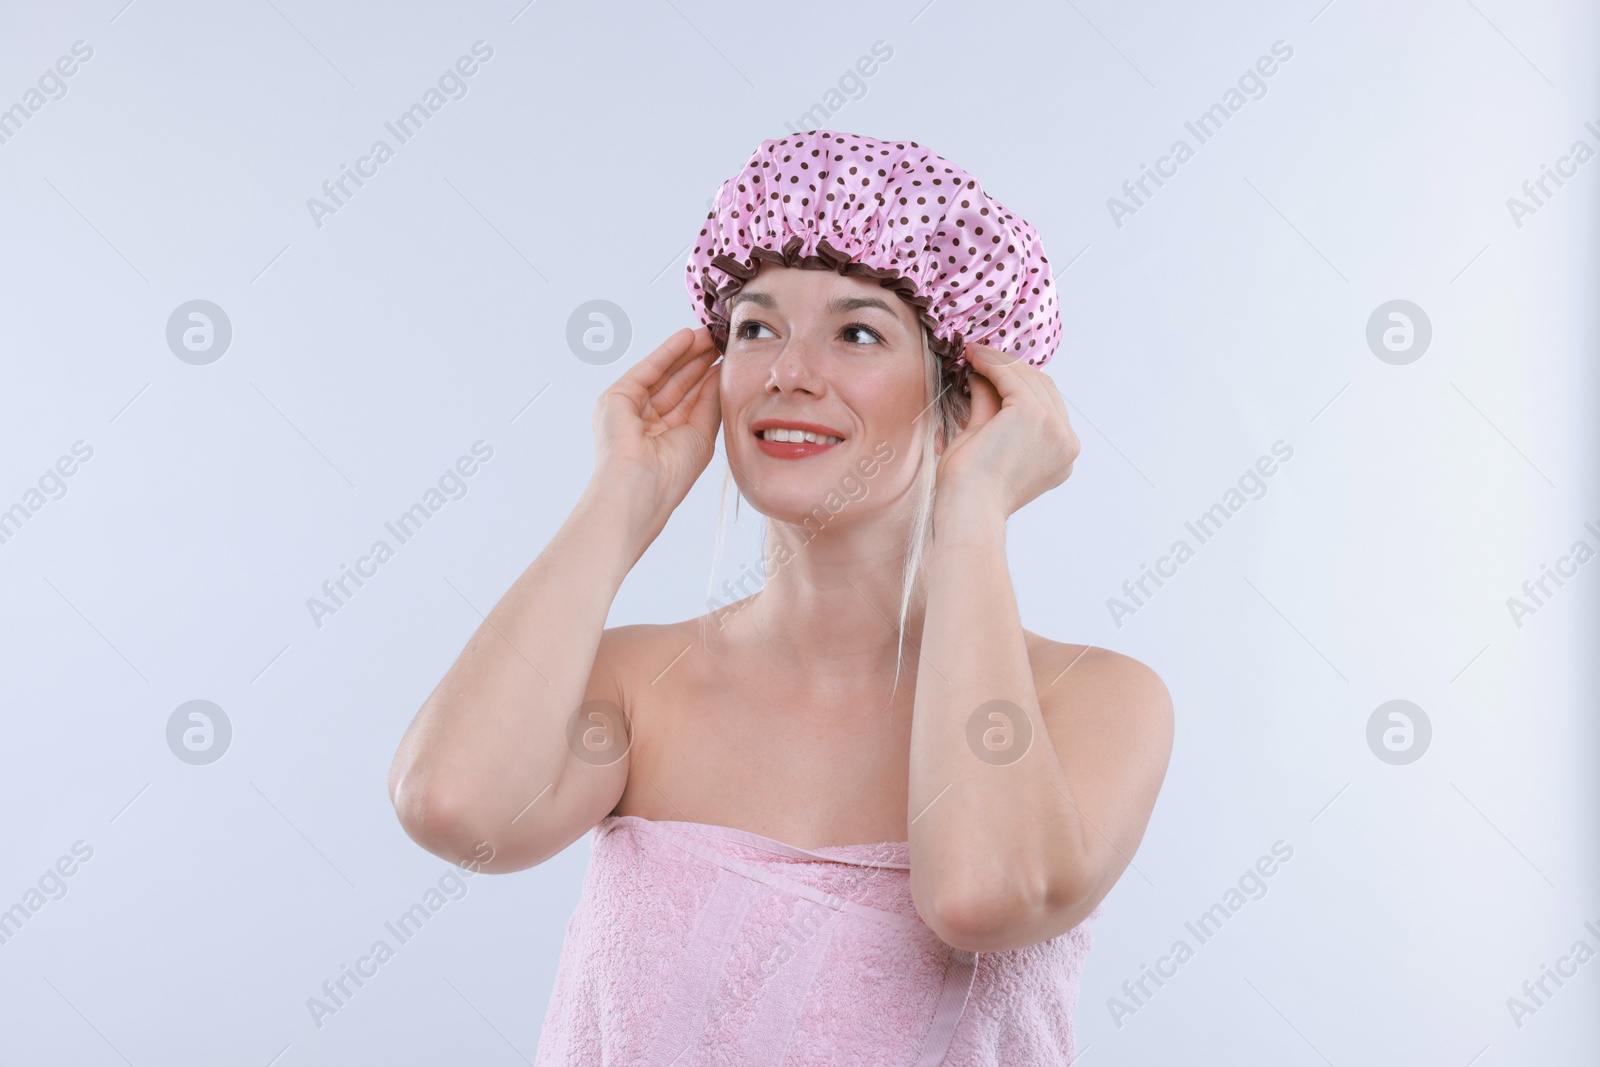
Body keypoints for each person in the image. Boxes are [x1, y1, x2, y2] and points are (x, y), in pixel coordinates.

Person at [389, 130, 1173, 1065]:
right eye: (755, 327)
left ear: (965, 393)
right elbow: (452, 805)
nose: (785, 371)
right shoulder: (641, 685)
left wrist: (974, 514)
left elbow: (984, 896)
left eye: (856, 332)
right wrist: (620, 497)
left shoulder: (1092, 702)